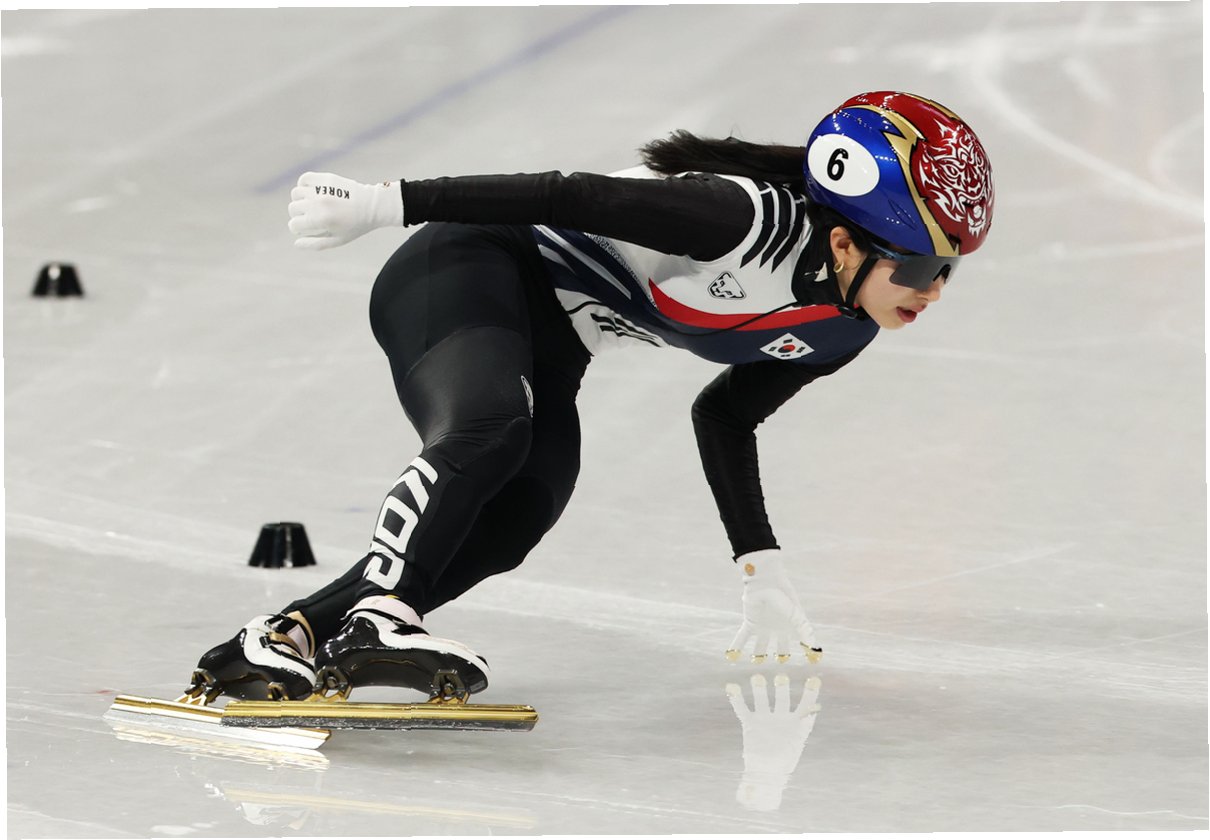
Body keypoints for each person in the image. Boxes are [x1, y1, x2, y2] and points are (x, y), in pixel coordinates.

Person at [191, 91, 995, 703]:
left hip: (556, 336)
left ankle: (284, 636)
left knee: (524, 508)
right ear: (845, 242)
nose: (932, 291)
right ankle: (381, 616)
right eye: (921, 267)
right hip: (470, 266)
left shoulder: (843, 330)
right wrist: (385, 203)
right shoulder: (738, 221)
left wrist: (762, 567)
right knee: (491, 429)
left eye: (949, 271)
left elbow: (725, 414)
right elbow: (564, 194)